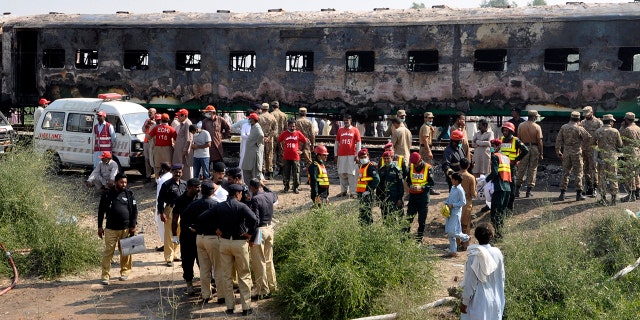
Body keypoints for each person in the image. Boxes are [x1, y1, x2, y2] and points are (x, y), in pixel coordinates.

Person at [216, 184, 259, 316]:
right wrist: (250, 234)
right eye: (241, 194)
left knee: (227, 275)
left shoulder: (220, 206)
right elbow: (254, 219)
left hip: (224, 243)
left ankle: (230, 307)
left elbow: (204, 216)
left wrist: (216, 228)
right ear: (237, 194)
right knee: (244, 275)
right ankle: (246, 307)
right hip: (239, 243)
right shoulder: (241, 206)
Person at [97, 173, 138, 285]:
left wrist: (133, 226)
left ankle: (125, 272)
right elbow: (101, 211)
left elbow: (134, 211)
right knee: (108, 252)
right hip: (110, 229)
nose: (123, 184)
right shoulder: (107, 194)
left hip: (125, 229)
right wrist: (100, 227)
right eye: (121, 182)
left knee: (126, 252)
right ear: (115, 182)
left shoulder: (129, 194)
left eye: (125, 182)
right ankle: (105, 275)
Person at [460, 223, 505, 320]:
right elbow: (501, 278)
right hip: (496, 300)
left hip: (479, 303)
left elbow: (470, 282)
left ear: (476, 237)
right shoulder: (497, 253)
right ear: (492, 236)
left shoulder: (474, 255)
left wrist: (465, 302)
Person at [188, 181, 223, 301]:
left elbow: (185, 217)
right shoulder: (216, 204)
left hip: (199, 238)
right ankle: (221, 295)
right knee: (218, 268)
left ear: (201, 191)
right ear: (213, 191)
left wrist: (193, 227)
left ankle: (206, 295)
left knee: (204, 268)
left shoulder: (194, 204)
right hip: (213, 238)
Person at [248, 178, 278, 300]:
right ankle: (273, 287)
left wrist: (251, 236)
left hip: (259, 231)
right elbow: (274, 195)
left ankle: (262, 290)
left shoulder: (255, 199)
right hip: (270, 228)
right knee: (269, 260)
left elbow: (255, 219)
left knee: (259, 261)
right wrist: (264, 186)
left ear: (252, 188)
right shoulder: (269, 196)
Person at [170, 178, 201, 295]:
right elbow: (174, 218)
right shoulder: (180, 200)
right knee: (187, 261)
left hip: (199, 234)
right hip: (186, 235)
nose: (198, 189)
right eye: (196, 187)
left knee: (202, 260)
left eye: (199, 187)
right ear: (189, 187)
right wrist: (174, 235)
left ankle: (205, 283)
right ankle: (189, 283)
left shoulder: (200, 198)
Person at [555, 111, 590, 201]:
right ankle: (579, 194)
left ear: (570, 118)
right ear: (579, 119)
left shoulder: (564, 127)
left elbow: (558, 140)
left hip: (566, 152)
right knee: (578, 173)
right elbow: (588, 138)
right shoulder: (579, 128)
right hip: (577, 153)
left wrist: (558, 151)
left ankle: (562, 194)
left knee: (565, 172)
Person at [157, 163, 187, 267]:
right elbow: (160, 200)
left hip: (181, 211)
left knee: (178, 233)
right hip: (170, 210)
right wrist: (161, 213)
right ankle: (168, 258)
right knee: (169, 234)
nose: (177, 174)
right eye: (176, 172)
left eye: (179, 172)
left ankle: (175, 254)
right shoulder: (166, 184)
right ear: (172, 172)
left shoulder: (184, 184)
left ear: (182, 173)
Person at [593, 114, 623, 206]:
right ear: (610, 121)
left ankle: (603, 198)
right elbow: (620, 144)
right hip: (612, 158)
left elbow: (593, 144)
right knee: (613, 177)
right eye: (612, 121)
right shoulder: (615, 131)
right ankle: (614, 199)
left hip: (602, 158)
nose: (613, 122)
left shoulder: (598, 131)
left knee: (602, 178)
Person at [405, 152, 435, 239]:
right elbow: (408, 180)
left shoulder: (428, 168)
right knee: (409, 218)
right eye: (413, 164)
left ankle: (419, 238)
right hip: (413, 197)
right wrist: (410, 185)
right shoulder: (411, 167)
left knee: (421, 220)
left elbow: (432, 183)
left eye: (416, 163)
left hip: (423, 197)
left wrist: (422, 187)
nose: (415, 165)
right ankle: (406, 237)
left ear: (420, 160)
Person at [486, 139, 512, 238]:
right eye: (491, 145)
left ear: (498, 147)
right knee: (502, 212)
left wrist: (486, 180)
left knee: (495, 212)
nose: (492, 147)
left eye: (493, 145)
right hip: (507, 188)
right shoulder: (505, 157)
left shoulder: (494, 156)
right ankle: (500, 233)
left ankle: (497, 235)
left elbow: (495, 173)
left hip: (499, 187)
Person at [499, 122, 528, 209]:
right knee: (503, 186)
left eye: (506, 131)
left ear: (511, 132)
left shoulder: (516, 140)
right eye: (504, 130)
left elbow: (525, 150)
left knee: (511, 187)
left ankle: (510, 206)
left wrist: (516, 159)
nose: (504, 132)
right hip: (503, 167)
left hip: (511, 167)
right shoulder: (501, 139)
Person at [516, 110, 543, 198]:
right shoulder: (537, 127)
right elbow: (539, 141)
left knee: (521, 168)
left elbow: (518, 139)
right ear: (534, 117)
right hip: (534, 148)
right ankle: (528, 190)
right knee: (533, 168)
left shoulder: (521, 125)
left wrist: (518, 150)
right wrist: (541, 152)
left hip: (524, 147)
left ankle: (517, 190)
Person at [335, 114, 362, 197]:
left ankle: (353, 192)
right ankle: (343, 191)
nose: (346, 122)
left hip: (351, 155)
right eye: (345, 120)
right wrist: (336, 155)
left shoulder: (355, 130)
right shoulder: (340, 130)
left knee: (352, 174)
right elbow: (336, 143)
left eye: (347, 120)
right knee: (341, 172)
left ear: (350, 120)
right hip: (341, 155)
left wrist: (358, 155)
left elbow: (358, 143)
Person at [444, 172, 470, 257]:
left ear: (456, 180)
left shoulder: (460, 190)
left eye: (452, 179)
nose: (451, 180)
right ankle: (453, 251)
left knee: (452, 231)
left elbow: (463, 202)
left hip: (456, 212)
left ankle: (466, 237)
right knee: (449, 231)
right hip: (449, 212)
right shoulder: (453, 188)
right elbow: (450, 198)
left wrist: (453, 205)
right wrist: (446, 203)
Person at [277, 119, 307, 193]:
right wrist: (281, 149)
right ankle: (286, 187)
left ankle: (295, 187)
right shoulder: (284, 133)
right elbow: (278, 141)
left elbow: (305, 141)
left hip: (295, 157)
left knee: (296, 173)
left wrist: (302, 151)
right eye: (291, 126)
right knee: (286, 173)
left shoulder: (298, 133)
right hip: (286, 157)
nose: (292, 128)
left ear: (295, 126)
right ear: (288, 126)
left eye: (293, 126)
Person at [377, 150, 405, 224]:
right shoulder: (381, 169)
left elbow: (401, 185)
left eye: (388, 158)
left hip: (394, 197)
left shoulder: (397, 170)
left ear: (391, 158)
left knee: (397, 216)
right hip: (384, 197)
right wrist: (378, 198)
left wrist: (400, 199)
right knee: (385, 217)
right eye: (385, 158)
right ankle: (387, 233)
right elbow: (379, 185)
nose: (386, 160)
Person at [581, 106, 603, 197]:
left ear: (592, 112)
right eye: (585, 114)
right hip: (584, 148)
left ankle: (595, 187)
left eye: (587, 114)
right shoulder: (582, 122)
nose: (586, 116)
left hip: (593, 148)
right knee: (585, 168)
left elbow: (602, 136)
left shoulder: (598, 123)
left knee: (594, 168)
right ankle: (589, 186)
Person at [619, 112, 640, 202]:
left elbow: (618, 137)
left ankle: (631, 194)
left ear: (626, 120)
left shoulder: (627, 129)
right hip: (637, 152)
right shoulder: (638, 128)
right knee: (636, 173)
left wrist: (621, 127)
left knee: (629, 174)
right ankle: (637, 192)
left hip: (629, 153)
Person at [356, 149, 380, 224]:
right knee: (362, 213)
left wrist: (370, 190)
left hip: (367, 194)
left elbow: (377, 179)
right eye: (361, 157)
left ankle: (368, 230)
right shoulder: (361, 166)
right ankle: (363, 228)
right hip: (361, 194)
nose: (363, 159)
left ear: (368, 156)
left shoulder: (371, 167)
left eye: (364, 157)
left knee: (367, 213)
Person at [457, 158, 476, 251]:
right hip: (467, 203)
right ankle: (465, 244)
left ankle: (456, 243)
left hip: (456, 203)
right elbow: (473, 193)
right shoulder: (471, 177)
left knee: (456, 224)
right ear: (468, 166)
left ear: (459, 165)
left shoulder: (455, 175)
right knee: (465, 224)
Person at [242, 112, 265, 185]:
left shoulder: (257, 127)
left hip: (254, 154)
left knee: (255, 174)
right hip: (250, 153)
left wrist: (257, 143)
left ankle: (255, 189)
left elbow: (261, 135)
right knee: (246, 170)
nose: (249, 120)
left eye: (250, 119)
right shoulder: (253, 126)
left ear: (253, 120)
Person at [258, 103, 278, 179]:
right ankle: (270, 173)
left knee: (261, 155)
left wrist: (262, 137)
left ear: (262, 109)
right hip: (270, 140)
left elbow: (256, 129)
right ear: (268, 108)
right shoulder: (272, 118)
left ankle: (262, 172)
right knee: (269, 155)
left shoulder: (259, 118)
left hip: (260, 139)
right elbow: (275, 130)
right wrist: (269, 137)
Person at [173, 108, 193, 180]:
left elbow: (189, 139)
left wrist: (185, 150)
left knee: (186, 169)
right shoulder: (182, 124)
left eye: (179, 116)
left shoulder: (188, 123)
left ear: (184, 116)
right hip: (180, 151)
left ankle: (187, 183)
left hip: (183, 152)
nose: (178, 117)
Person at [270, 101, 288, 175]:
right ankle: (282, 169)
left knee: (273, 152)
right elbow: (286, 128)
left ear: (272, 107)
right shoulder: (284, 115)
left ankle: (273, 168)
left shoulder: (271, 115)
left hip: (273, 137)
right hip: (282, 136)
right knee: (281, 152)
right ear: (279, 106)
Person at [142, 108, 157, 181]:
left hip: (153, 142)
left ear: (155, 113)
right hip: (146, 142)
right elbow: (143, 130)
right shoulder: (147, 120)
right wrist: (146, 125)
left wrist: (153, 123)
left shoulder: (157, 120)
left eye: (150, 112)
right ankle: (148, 176)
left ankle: (156, 176)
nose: (149, 113)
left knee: (154, 159)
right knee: (147, 159)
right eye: (148, 112)